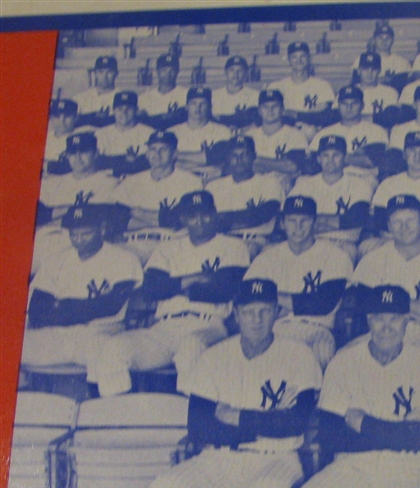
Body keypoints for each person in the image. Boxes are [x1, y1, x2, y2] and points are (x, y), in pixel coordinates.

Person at [140, 278, 323, 488]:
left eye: (264, 311)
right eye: (248, 312)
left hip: (276, 458)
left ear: (278, 312)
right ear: (236, 315)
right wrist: (266, 422)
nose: (257, 319)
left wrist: (235, 417)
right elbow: (199, 427)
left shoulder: (299, 355)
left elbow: (294, 423)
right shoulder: (214, 357)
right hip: (218, 459)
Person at [287, 284, 420, 488]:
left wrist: (364, 424)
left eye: (395, 319)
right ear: (368, 320)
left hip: (414, 466)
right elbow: (332, 436)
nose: (387, 327)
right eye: (379, 318)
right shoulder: (344, 362)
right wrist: (402, 428)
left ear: (407, 321)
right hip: (355, 466)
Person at [88, 191, 249, 397]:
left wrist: (173, 285)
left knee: (190, 348)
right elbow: (151, 290)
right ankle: (121, 417)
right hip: (164, 327)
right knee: (114, 348)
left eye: (205, 214)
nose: (199, 220)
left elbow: (224, 290)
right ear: (183, 218)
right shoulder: (168, 248)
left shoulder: (233, 246)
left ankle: (190, 420)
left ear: (215, 214)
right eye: (192, 215)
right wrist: (196, 279)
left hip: (208, 324)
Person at [20, 205, 142, 371]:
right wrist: (85, 307)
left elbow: (111, 307)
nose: (79, 239)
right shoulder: (57, 260)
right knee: (12, 345)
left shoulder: (123, 258)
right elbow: (37, 309)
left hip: (101, 331)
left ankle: (102, 397)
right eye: (74, 234)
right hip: (58, 333)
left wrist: (60, 306)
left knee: (103, 352)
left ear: (102, 229)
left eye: (86, 233)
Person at [352, 194, 420, 374]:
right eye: (397, 222)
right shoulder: (372, 260)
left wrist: (391, 306)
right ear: (388, 226)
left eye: (410, 220)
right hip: (383, 330)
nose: (404, 227)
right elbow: (363, 306)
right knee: (346, 356)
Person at [245, 196, 353, 369]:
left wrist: (273, 297)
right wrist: (304, 301)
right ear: (282, 223)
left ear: (315, 222)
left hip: (316, 329)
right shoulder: (266, 258)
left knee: (322, 353)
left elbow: (323, 304)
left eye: (305, 220)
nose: (298, 227)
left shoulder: (335, 256)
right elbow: (249, 298)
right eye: (292, 221)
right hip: (274, 328)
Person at [109, 131, 203, 264]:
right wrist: (164, 218)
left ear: (175, 153)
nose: (157, 154)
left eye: (163, 150)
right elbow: (118, 220)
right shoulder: (131, 182)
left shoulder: (191, 182)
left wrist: (136, 213)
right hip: (135, 243)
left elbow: (181, 220)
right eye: (152, 149)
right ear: (147, 153)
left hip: (172, 243)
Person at [289, 135, 373, 257]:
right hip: (308, 242)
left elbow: (355, 219)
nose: (330, 160)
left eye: (336, 155)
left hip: (342, 243)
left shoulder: (360, 185)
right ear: (318, 158)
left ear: (344, 158)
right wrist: (337, 221)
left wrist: (311, 221)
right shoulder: (304, 185)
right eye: (325, 155)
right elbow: (289, 217)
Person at [205, 135, 284, 257]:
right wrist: (246, 215)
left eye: (244, 155)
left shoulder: (270, 184)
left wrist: (222, 218)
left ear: (254, 156)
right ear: (228, 158)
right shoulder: (214, 187)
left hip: (255, 241)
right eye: (234, 156)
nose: (239, 160)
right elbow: (207, 222)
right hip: (221, 240)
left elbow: (261, 216)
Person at [309, 85, 389, 188]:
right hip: (330, 177)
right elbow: (313, 161)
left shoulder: (376, 131)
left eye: (354, 103)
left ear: (362, 105)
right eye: (344, 104)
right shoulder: (325, 132)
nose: (349, 108)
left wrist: (339, 159)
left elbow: (371, 161)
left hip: (362, 177)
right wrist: (354, 158)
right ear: (338, 106)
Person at [38, 132, 118, 224]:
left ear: (96, 153)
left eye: (84, 152)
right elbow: (39, 215)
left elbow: (92, 217)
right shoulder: (52, 183)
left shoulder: (109, 182)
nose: (77, 157)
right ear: (67, 156)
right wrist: (71, 208)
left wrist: (53, 216)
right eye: (73, 153)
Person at [246, 89, 308, 178]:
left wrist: (258, 160)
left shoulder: (296, 135)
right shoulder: (249, 136)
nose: (270, 110)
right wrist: (279, 164)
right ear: (259, 111)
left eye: (275, 106)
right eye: (265, 107)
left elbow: (292, 166)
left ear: (282, 109)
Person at [266, 41, 336, 119]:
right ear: (288, 60)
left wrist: (294, 114)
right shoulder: (276, 87)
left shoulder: (322, 85)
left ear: (309, 58)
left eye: (303, 56)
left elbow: (324, 113)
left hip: (313, 128)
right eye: (294, 57)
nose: (299, 60)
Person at [167, 87, 231, 164]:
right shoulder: (171, 132)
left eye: (203, 104)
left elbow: (221, 163)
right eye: (193, 103)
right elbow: (167, 162)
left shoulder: (222, 131)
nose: (198, 107)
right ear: (186, 107)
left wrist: (177, 156)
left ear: (210, 107)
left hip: (208, 176)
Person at [93, 92, 155, 169]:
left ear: (136, 110)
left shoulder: (149, 133)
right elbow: (97, 161)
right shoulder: (100, 134)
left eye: (129, 108)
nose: (124, 113)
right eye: (120, 109)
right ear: (113, 110)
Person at [350, 24, 411, 88]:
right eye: (380, 38)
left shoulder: (401, 62)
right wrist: (385, 80)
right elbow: (356, 81)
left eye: (387, 38)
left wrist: (375, 80)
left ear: (393, 40)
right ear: (374, 39)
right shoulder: (362, 58)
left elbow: (400, 85)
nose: (384, 41)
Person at [211, 56, 260, 126]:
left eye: (239, 70)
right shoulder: (213, 95)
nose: (235, 74)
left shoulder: (256, 95)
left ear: (246, 73)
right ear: (225, 72)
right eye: (232, 70)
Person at [138, 54, 190, 121]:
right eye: (164, 70)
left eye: (172, 70)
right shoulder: (145, 97)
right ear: (157, 71)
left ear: (177, 72)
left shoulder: (187, 94)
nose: (168, 74)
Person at [352, 52, 400, 120]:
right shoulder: (349, 91)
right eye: (365, 69)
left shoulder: (390, 92)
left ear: (379, 71)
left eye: (373, 69)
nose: (369, 73)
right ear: (359, 71)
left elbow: (390, 119)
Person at [72, 55, 120, 122]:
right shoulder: (80, 98)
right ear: (95, 73)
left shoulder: (121, 96)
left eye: (109, 72)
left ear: (116, 74)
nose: (105, 76)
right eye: (101, 72)